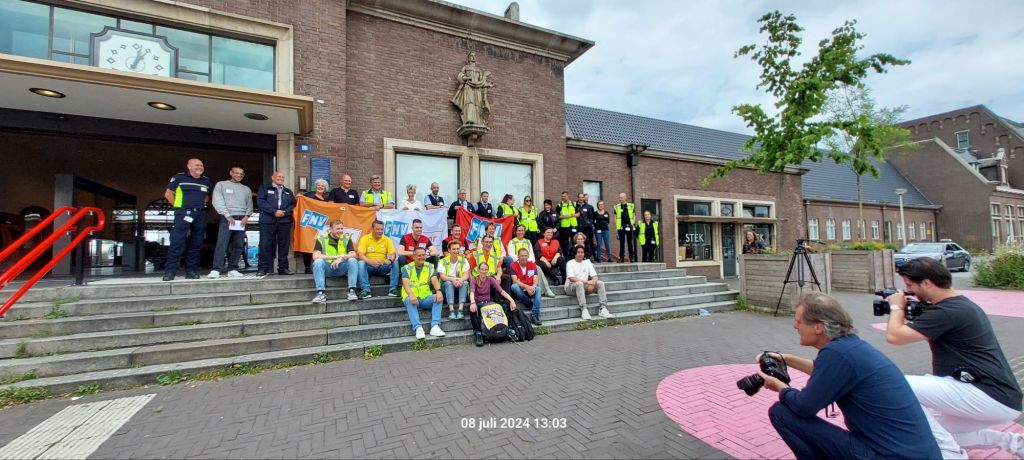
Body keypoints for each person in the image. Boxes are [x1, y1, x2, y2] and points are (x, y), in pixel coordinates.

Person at [758, 292, 940, 460]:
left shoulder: (836, 354)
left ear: (818, 327)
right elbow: (826, 372)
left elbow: (803, 406)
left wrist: (780, 387)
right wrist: (786, 359)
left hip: (885, 455)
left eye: (799, 321)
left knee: (781, 412)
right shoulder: (850, 347)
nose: (795, 326)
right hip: (911, 453)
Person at [885, 258, 1024, 459]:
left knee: (896, 385)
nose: (908, 291)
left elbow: (895, 336)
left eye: (909, 285)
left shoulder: (948, 311)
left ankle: (951, 454)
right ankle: (1015, 443)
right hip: (1000, 396)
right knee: (929, 432)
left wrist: (896, 307)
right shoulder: (958, 305)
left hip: (987, 394)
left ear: (927, 283)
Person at [162, 158, 212, 281]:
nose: (199, 167)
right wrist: (179, 207)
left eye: (201, 165)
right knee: (177, 242)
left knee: (196, 243)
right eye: (196, 165)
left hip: (200, 214)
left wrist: (202, 205)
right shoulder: (179, 177)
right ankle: (170, 272)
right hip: (183, 213)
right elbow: (168, 194)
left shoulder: (206, 181)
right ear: (189, 166)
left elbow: (207, 196)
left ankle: (191, 271)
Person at [208, 165, 251, 279]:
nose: (239, 175)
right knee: (222, 244)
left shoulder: (246, 189)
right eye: (236, 173)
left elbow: (249, 204)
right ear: (231, 173)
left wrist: (247, 216)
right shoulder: (221, 185)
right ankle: (216, 269)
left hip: (241, 219)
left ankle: (233, 268)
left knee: (238, 245)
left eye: (241, 174)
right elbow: (217, 201)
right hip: (227, 218)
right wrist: (227, 215)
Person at [468, 260, 518, 347]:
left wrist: (512, 300)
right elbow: (472, 292)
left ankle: (509, 329)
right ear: (478, 270)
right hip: (478, 303)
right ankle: (478, 333)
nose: (484, 271)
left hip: (489, 303)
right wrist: (472, 302)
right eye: (482, 269)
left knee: (507, 305)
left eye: (485, 269)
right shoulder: (474, 279)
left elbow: (501, 291)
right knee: (472, 310)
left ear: (488, 270)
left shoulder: (490, 279)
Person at [256, 171, 296, 276]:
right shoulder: (264, 188)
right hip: (267, 221)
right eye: (279, 176)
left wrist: (285, 212)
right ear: (272, 178)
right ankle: (263, 269)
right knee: (265, 244)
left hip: (284, 221)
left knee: (284, 245)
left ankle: (283, 268)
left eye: (283, 177)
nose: (281, 178)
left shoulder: (288, 191)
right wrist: (274, 211)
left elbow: (293, 205)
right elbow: (261, 202)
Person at [401, 247, 445, 340]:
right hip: (412, 297)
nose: (422, 257)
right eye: (419, 255)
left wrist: (438, 291)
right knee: (409, 300)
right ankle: (418, 328)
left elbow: (434, 280)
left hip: (425, 297)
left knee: (438, 298)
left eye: (423, 255)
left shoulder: (430, 266)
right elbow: (405, 284)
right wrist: (411, 295)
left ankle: (435, 326)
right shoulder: (407, 268)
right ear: (413, 257)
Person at [310, 220, 359, 303]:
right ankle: (320, 293)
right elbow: (315, 256)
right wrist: (334, 257)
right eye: (337, 229)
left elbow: (353, 254)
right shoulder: (321, 238)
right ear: (330, 229)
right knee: (318, 262)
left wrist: (341, 258)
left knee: (353, 260)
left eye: (341, 229)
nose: (340, 231)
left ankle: (351, 291)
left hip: (341, 267)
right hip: (327, 268)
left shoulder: (346, 238)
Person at [565, 245, 613, 320]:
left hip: (585, 287)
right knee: (579, 283)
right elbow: (571, 278)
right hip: (570, 288)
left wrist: (593, 282)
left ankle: (602, 308)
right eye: (578, 252)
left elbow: (595, 276)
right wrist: (587, 282)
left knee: (600, 283)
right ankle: (584, 309)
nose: (580, 254)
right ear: (575, 253)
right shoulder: (570, 263)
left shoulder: (587, 262)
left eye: (582, 252)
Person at [356, 220, 398, 298]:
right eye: (377, 229)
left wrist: (389, 260)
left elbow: (393, 254)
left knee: (395, 262)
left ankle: (393, 290)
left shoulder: (387, 239)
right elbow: (360, 254)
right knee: (361, 263)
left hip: (382, 266)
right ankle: (366, 290)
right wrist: (370, 262)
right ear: (372, 229)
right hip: (369, 267)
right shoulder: (365, 238)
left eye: (382, 229)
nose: (380, 231)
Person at [450, 52, 493, 127]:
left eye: (474, 56)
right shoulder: (466, 67)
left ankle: (477, 121)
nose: (473, 57)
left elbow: (481, 82)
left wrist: (488, 84)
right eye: (471, 56)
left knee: (477, 104)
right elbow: (460, 76)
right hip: (468, 87)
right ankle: (468, 119)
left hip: (477, 89)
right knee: (469, 102)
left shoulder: (478, 70)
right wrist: (467, 78)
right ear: (468, 58)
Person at [300, 178, 331, 273]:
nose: (320, 187)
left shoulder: (326, 200)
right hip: (310, 224)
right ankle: (307, 267)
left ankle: (318, 266)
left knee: (319, 245)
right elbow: (301, 202)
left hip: (320, 224)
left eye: (322, 186)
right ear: (315, 186)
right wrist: (299, 197)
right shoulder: (309, 195)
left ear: (325, 189)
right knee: (308, 244)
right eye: (318, 185)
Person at [510, 248, 543, 326]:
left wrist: (533, 287)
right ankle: (529, 303)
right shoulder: (513, 265)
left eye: (525, 255)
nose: (524, 257)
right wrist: (527, 287)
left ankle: (535, 315)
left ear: (528, 256)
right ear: (518, 256)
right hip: (520, 290)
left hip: (530, 290)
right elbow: (515, 281)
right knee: (514, 286)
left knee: (538, 289)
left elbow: (535, 279)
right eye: (522, 255)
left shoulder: (532, 264)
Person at [437, 241, 470, 319]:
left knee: (465, 283)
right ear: (449, 250)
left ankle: (460, 310)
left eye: (458, 249)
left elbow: (466, 275)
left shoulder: (464, 260)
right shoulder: (442, 261)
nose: (456, 251)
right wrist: (453, 279)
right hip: (446, 286)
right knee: (448, 283)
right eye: (454, 249)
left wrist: (460, 280)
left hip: (459, 284)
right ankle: (451, 310)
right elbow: (442, 277)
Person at [614, 193, 637, 263]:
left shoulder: (631, 205)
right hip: (621, 227)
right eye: (619, 197)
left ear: (625, 198)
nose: (620, 199)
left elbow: (634, 215)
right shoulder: (617, 206)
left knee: (630, 242)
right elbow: (615, 217)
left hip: (629, 226)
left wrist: (632, 223)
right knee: (622, 243)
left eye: (621, 197)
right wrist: (616, 226)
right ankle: (621, 258)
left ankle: (631, 258)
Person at [556, 191, 578, 259]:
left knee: (575, 241)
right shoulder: (559, 205)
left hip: (573, 225)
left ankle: (574, 256)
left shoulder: (574, 204)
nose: (563, 197)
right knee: (565, 243)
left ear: (568, 196)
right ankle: (566, 258)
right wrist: (565, 216)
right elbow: (557, 216)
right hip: (564, 227)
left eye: (564, 196)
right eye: (562, 196)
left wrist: (572, 215)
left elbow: (579, 214)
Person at [576, 193, 596, 259]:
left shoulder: (589, 207)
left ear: (584, 198)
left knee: (588, 242)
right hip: (578, 227)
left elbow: (591, 217)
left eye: (582, 197)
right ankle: (578, 256)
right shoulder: (575, 206)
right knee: (578, 242)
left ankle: (588, 256)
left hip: (586, 228)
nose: (581, 199)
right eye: (580, 197)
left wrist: (589, 223)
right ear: (578, 198)